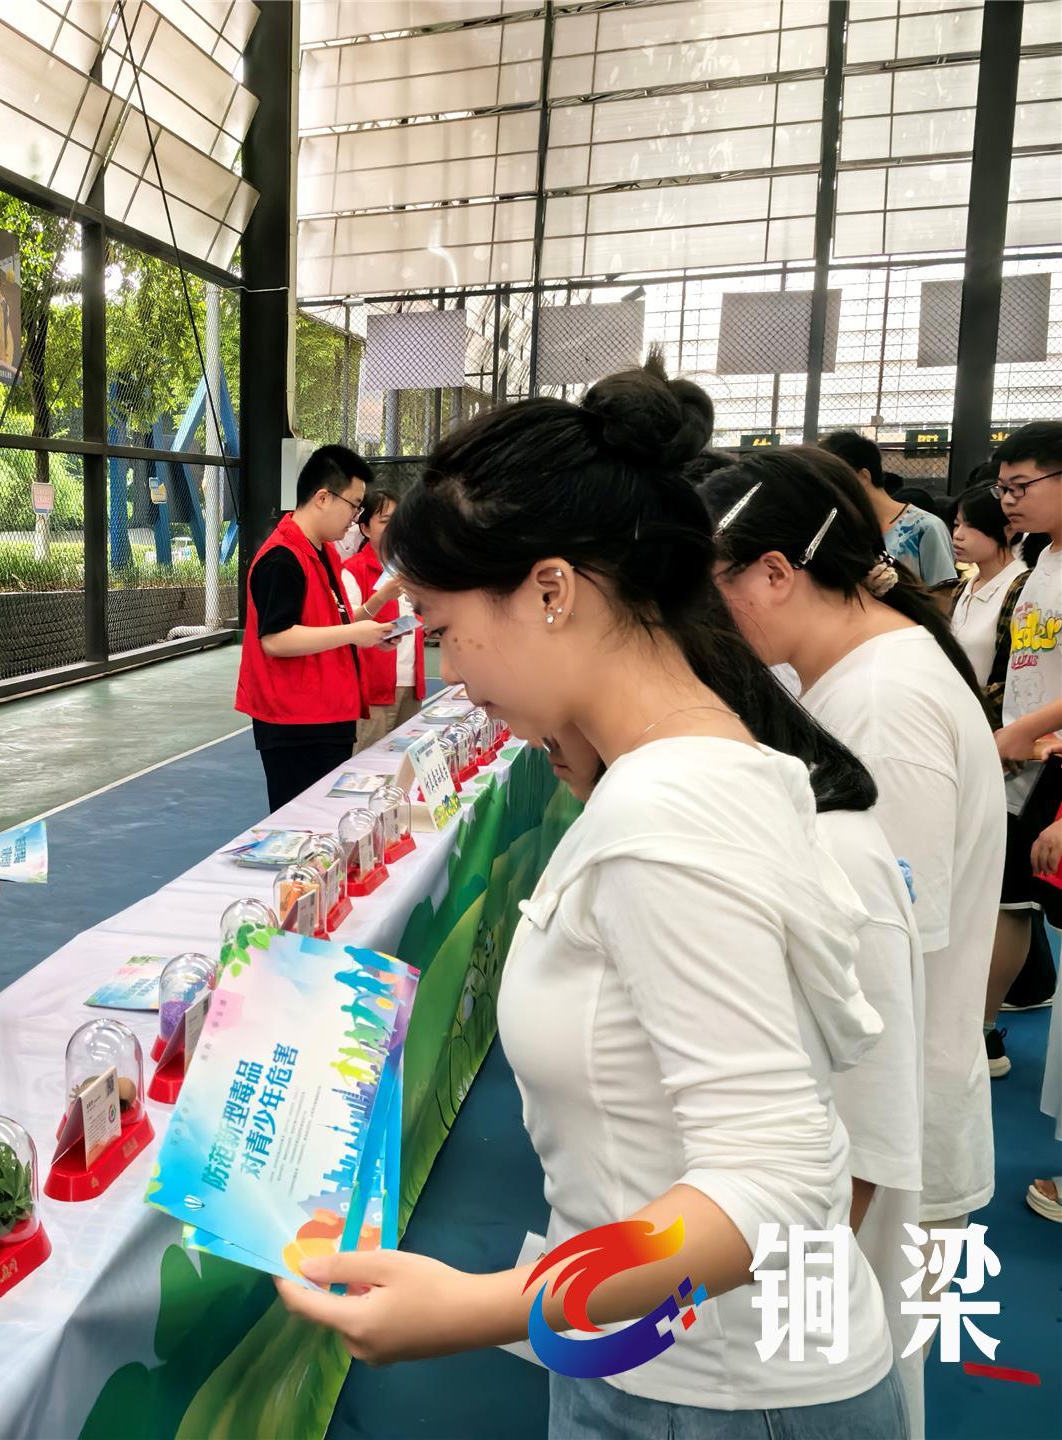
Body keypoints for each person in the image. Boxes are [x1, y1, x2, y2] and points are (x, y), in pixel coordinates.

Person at [274, 360, 902, 1434]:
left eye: (442, 629)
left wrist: (482, 1306)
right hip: (668, 1356)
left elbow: (776, 1184)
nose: (449, 671)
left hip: (713, 1398)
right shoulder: (685, 774)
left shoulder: (669, 815)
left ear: (551, 590)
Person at [538, 719, 927, 1436]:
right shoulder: (647, 811)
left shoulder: (688, 825)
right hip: (636, 1343)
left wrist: (481, 1308)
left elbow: (812, 1163)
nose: (460, 675)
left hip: (722, 1379)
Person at [696, 447, 1002, 1247]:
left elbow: (879, 960)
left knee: (861, 1329)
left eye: (708, 589)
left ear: (774, 572)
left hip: (880, 1149)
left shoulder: (882, 705)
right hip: (868, 1130)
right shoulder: (862, 672)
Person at [984, 419, 1062, 1219]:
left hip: (1046, 763)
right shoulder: (1041, 559)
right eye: (1001, 487)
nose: (1008, 500)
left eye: (1021, 485)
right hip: (1028, 760)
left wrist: (1023, 732)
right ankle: (985, 1031)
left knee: (1016, 902)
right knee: (1008, 898)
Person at [235, 445, 394, 811]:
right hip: (296, 723)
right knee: (302, 822)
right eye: (354, 505)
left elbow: (331, 621)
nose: (355, 517)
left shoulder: (322, 551)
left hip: (327, 714)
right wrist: (353, 634)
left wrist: (370, 623)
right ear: (323, 498)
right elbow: (276, 639)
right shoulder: (282, 558)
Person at [819, 430, 957, 595]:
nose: (828, 491)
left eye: (832, 481)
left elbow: (944, 597)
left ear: (863, 477)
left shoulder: (926, 527)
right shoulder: (842, 529)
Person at [340, 484, 423, 750]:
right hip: (373, 690)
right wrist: (381, 597)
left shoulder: (409, 567)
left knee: (407, 760)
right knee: (367, 761)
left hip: (411, 683)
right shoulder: (352, 570)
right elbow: (347, 625)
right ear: (365, 528)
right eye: (385, 521)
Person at [950, 480, 1030, 719]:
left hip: (990, 722)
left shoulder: (1022, 589)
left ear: (1008, 529)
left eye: (971, 526)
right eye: (956, 524)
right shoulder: (963, 588)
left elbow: (1020, 682)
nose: (958, 535)